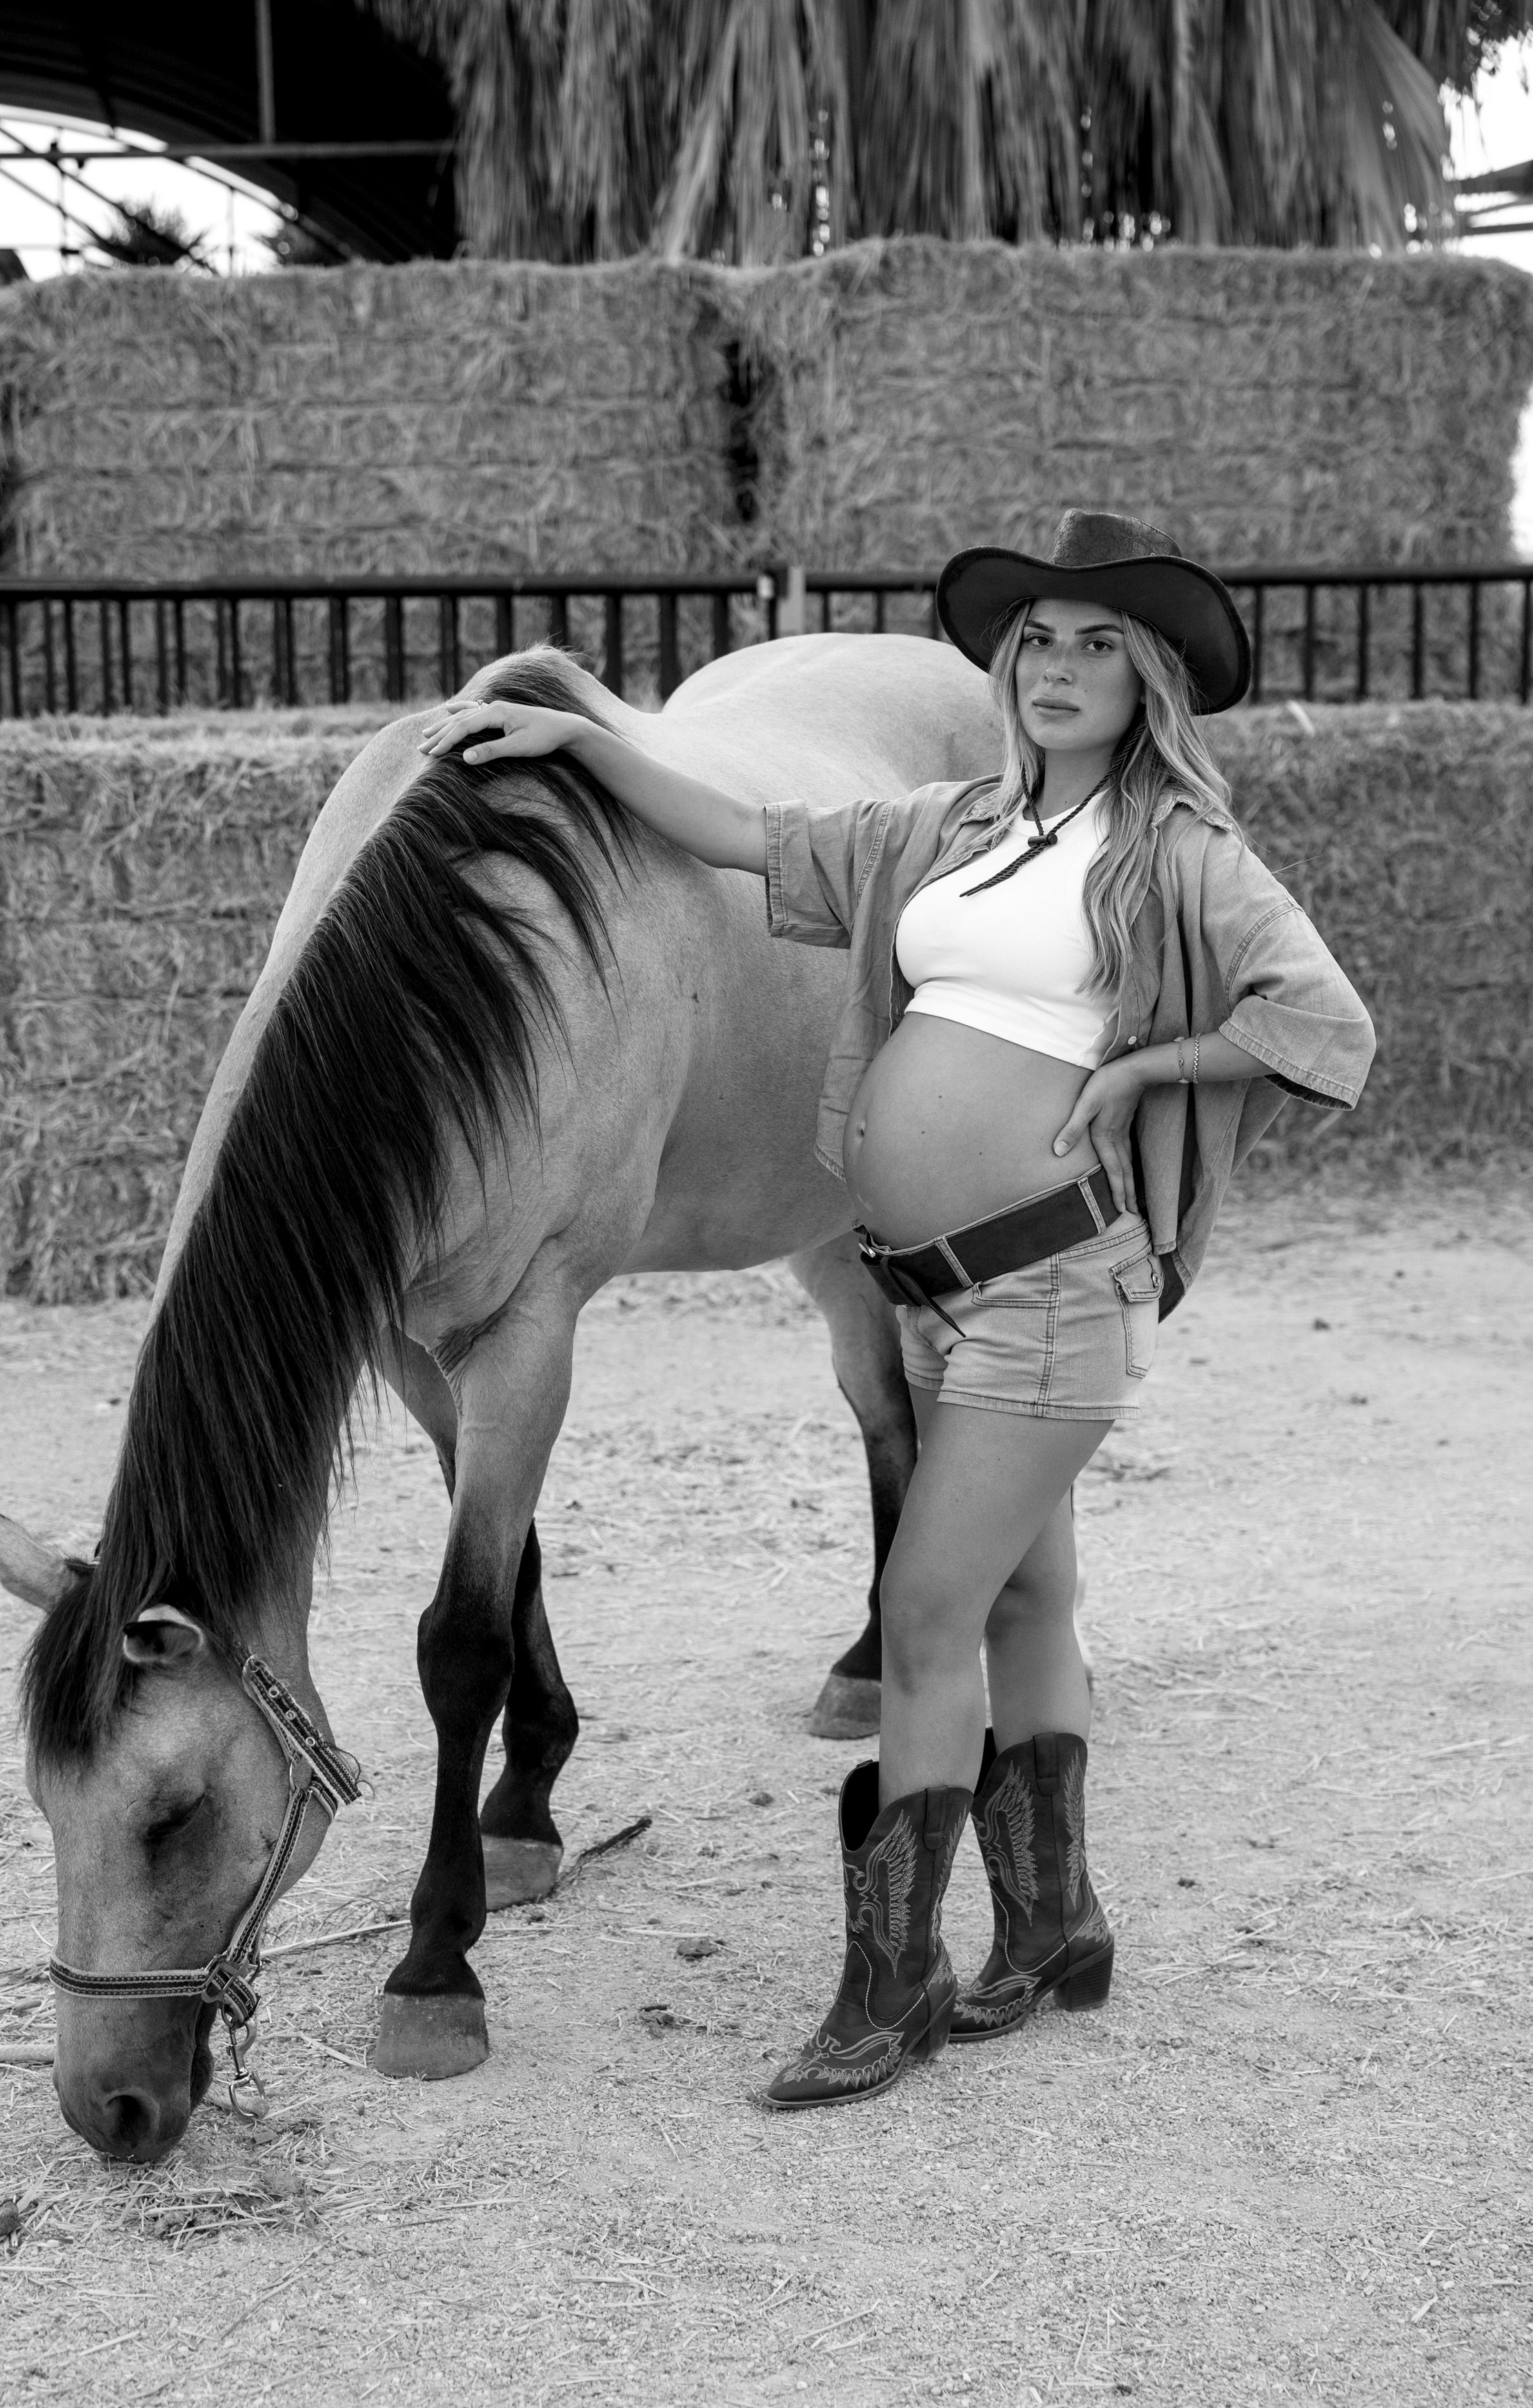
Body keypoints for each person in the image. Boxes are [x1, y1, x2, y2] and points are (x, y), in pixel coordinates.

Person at [418, 509, 1375, 2112]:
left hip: (1050, 1283)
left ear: (1147, 684)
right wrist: (575, 745)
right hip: (925, 1291)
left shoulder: (1177, 856)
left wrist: (1148, 1065)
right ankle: (1057, 1928)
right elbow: (749, 839)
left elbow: (1323, 1024)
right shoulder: (952, 825)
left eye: (1095, 649)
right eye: (1037, 645)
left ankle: (891, 1987)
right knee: (1019, 1613)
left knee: (927, 1618)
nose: (1057, 672)